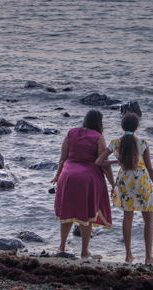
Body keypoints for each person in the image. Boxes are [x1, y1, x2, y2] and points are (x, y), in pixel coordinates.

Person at [96, 112, 153, 265]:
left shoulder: (115, 143)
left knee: (127, 217)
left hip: (124, 181)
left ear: (122, 126)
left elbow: (99, 162)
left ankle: (128, 255)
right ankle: (148, 257)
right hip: (141, 181)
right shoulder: (142, 143)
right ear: (137, 127)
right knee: (148, 219)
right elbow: (150, 168)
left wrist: (117, 162)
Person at [52, 110, 115, 258]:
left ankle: (61, 246)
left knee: (66, 213)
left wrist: (57, 175)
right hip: (87, 178)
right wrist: (113, 183)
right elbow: (103, 164)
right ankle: (84, 250)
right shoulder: (98, 137)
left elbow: (63, 158)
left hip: (67, 176)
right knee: (86, 215)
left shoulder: (71, 132)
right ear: (100, 122)